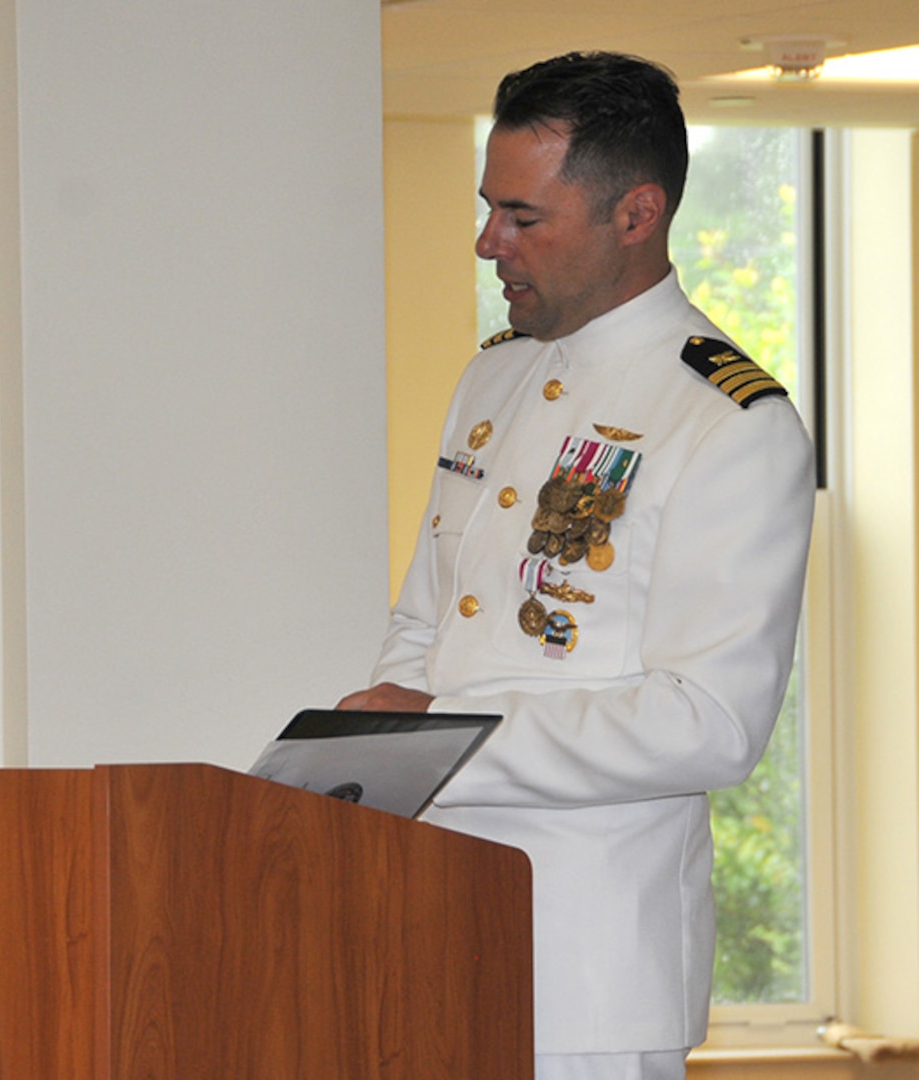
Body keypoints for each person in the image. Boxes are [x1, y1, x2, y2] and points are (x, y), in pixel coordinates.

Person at [338, 51, 816, 1080]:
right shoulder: (494, 375)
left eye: (521, 218)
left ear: (634, 215)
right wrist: (377, 732)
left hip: (587, 973)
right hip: (427, 927)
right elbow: (427, 629)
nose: (485, 243)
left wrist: (445, 744)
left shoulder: (724, 422)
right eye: (486, 210)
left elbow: (709, 721)